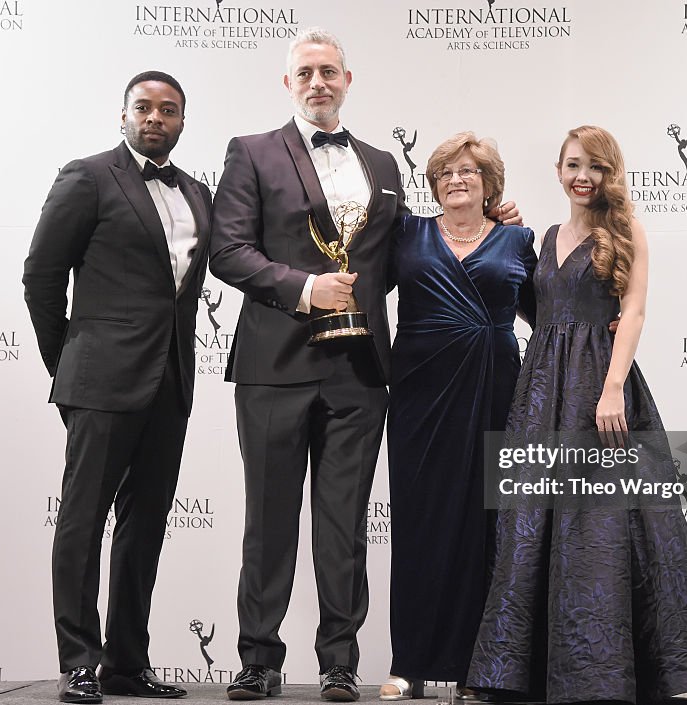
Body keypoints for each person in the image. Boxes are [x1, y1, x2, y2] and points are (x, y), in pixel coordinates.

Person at [209, 28, 520, 703]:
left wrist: (488, 219)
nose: (318, 82)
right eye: (305, 73)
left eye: (329, 71)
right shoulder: (252, 152)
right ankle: (260, 658)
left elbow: (416, 243)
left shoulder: (382, 164)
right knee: (269, 520)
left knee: (344, 525)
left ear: (349, 81)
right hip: (273, 366)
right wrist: (303, 287)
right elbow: (227, 250)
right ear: (286, 83)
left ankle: (338, 662)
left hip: (361, 370)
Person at [466, 126, 687, 704]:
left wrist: (611, 391)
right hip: (540, 393)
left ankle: (619, 673)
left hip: (602, 389)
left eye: (596, 167)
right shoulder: (547, 235)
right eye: (573, 165)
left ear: (611, 174)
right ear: (558, 170)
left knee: (615, 528)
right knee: (533, 525)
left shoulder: (625, 230)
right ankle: (527, 674)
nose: (583, 176)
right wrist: (507, 237)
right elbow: (540, 311)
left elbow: (632, 314)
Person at [23, 71, 212, 703]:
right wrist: (70, 365)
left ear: (183, 122)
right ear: (123, 115)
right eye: (144, 108)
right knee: (82, 520)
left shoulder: (197, 194)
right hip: (99, 379)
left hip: (172, 380)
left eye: (170, 109)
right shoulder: (87, 176)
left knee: (146, 524)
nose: (156, 117)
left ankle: (127, 663)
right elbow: (41, 278)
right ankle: (79, 660)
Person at [381, 133, 536, 701]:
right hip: (421, 392)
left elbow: (549, 317)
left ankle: (482, 667)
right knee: (420, 520)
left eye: (469, 171)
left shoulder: (519, 239)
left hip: (496, 388)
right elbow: (363, 284)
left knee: (487, 525)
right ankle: (410, 662)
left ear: (491, 183)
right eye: (445, 171)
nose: (456, 179)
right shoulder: (408, 232)